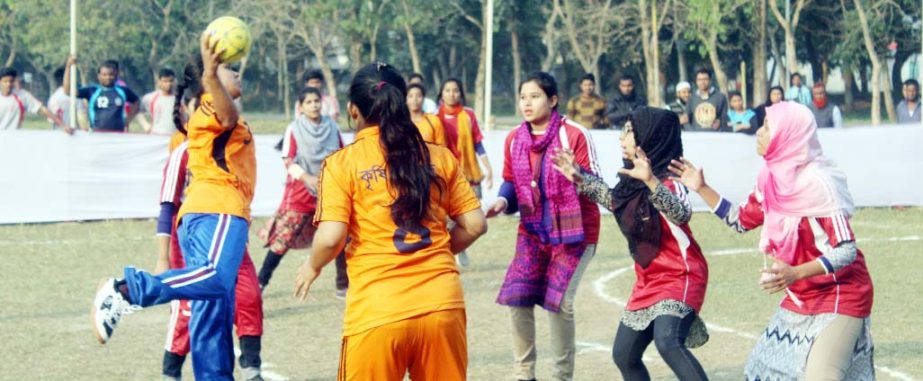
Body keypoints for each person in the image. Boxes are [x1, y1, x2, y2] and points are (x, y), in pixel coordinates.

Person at [293, 62, 487, 381]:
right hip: (442, 304)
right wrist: (433, 252)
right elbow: (476, 224)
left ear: (353, 110)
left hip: (378, 310)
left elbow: (331, 238)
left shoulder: (342, 163)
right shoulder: (439, 157)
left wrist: (313, 267)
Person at [90, 32, 256, 380]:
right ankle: (127, 289)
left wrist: (213, 78)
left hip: (204, 214)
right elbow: (227, 117)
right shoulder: (212, 107)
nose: (237, 72)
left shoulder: (208, 112)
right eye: (229, 68)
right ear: (207, 82)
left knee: (212, 311)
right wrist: (212, 77)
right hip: (219, 207)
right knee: (215, 280)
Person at [670, 101, 874, 380]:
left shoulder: (819, 182)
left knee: (821, 376)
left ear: (787, 136)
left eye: (767, 127)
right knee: (760, 371)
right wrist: (701, 188)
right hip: (800, 296)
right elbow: (740, 220)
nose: (759, 132)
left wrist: (795, 273)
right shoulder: (770, 179)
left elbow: (847, 250)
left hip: (842, 294)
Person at [551, 107, 709, 381]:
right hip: (648, 280)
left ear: (648, 137)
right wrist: (579, 176)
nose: (621, 138)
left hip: (681, 275)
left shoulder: (672, 179)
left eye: (628, 131)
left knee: (668, 342)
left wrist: (651, 181)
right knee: (624, 354)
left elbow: (681, 213)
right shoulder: (629, 180)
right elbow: (613, 201)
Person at [485, 71, 601, 381]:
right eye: (523, 97)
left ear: (553, 100)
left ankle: (561, 377)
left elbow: (597, 186)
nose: (527, 103)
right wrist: (502, 202)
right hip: (533, 232)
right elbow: (511, 182)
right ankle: (525, 374)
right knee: (518, 298)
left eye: (534, 96)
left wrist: (576, 174)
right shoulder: (514, 139)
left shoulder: (573, 134)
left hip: (575, 234)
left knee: (560, 303)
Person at [156, 137, 264, 381]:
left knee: (249, 295)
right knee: (190, 305)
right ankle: (170, 371)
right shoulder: (185, 151)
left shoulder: (236, 143)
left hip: (229, 228)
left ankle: (252, 368)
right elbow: (167, 206)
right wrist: (162, 257)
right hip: (193, 234)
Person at [257, 87, 348, 299]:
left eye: (317, 101)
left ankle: (342, 284)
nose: (314, 105)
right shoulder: (294, 129)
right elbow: (288, 160)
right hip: (301, 191)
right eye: (308, 102)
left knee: (341, 235)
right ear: (301, 107)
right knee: (284, 237)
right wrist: (307, 177)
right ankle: (261, 281)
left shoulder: (332, 127)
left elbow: (342, 155)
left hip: (330, 189)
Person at [437, 78, 494, 267]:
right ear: (441, 93)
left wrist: (488, 168)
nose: (452, 94)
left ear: (461, 93)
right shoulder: (435, 117)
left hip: (468, 172)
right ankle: (453, 249)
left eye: (455, 90)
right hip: (445, 172)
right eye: (447, 90)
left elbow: (477, 143)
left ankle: (461, 247)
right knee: (445, 214)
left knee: (471, 212)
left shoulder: (468, 115)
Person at [64, 55, 140, 132]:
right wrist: (68, 67)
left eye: (111, 75)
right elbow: (68, 91)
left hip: (118, 135)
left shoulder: (122, 91)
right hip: (97, 135)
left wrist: (128, 119)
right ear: (99, 76)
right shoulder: (92, 91)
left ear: (116, 75)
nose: (108, 77)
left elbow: (137, 102)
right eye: (104, 75)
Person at [0, 67, 68, 132]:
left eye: (11, 81)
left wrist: (62, 125)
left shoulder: (22, 96)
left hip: (13, 138)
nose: (8, 84)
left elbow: (42, 110)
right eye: (5, 81)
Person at [138, 68, 179, 135]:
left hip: (175, 136)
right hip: (156, 136)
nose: (169, 84)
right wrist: (146, 126)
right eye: (165, 81)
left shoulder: (181, 99)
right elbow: (138, 112)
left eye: (171, 81)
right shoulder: (150, 98)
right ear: (159, 82)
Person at [47, 66, 87, 131]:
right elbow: (82, 117)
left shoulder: (53, 98)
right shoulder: (76, 96)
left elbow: (51, 120)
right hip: (75, 135)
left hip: (58, 134)